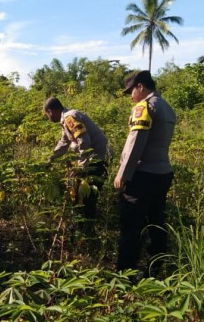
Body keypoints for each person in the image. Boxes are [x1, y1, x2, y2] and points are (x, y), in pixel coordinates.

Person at [114, 70, 176, 275]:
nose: (130, 96)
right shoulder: (166, 106)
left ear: (140, 87)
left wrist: (122, 174)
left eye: (131, 91)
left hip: (142, 176)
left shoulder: (144, 107)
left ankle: (125, 274)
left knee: (131, 226)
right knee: (155, 223)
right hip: (162, 173)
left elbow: (135, 144)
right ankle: (154, 270)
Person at [44, 97, 112, 223]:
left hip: (97, 160)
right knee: (80, 195)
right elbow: (64, 142)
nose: (48, 118)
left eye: (47, 114)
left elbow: (84, 141)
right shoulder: (66, 120)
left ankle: (86, 230)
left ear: (50, 111)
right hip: (93, 159)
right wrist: (50, 159)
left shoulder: (70, 118)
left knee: (87, 198)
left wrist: (80, 167)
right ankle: (82, 227)